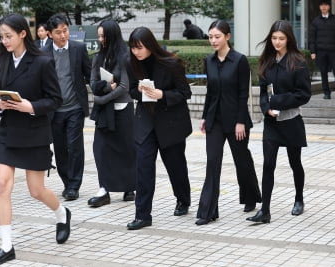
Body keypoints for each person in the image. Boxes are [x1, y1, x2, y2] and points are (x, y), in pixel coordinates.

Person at [0, 13, 69, 266]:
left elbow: (56, 100)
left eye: (8, 36)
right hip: (9, 131)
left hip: (34, 133)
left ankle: (62, 213)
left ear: (23, 34)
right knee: (2, 185)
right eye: (1, 37)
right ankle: (7, 245)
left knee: (37, 191)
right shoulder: (0, 59)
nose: (5, 41)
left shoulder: (43, 62)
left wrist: (30, 106)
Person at [195, 20, 262, 226]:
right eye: (210, 37)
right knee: (212, 163)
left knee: (242, 160)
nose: (213, 41)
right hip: (215, 120)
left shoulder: (239, 60)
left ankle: (251, 196)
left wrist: (241, 121)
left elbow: (244, 94)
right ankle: (207, 211)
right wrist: (206, 116)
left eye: (217, 36)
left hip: (236, 122)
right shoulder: (209, 61)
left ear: (227, 37)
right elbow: (210, 93)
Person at [126, 26, 192, 230]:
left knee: (175, 166)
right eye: (133, 48)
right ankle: (143, 215)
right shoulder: (131, 64)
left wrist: (162, 95)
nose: (136, 52)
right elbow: (130, 91)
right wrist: (139, 91)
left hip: (170, 123)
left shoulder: (171, 64)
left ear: (150, 45)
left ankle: (183, 199)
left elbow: (185, 93)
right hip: (146, 123)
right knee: (143, 168)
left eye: (140, 47)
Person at [247, 20, 311, 224]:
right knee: (268, 164)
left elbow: (304, 94)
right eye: (274, 38)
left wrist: (278, 102)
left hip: (291, 121)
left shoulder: (298, 62)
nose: (277, 42)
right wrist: (266, 108)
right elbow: (264, 93)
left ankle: (299, 199)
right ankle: (264, 211)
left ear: (289, 39)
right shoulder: (267, 61)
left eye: (281, 39)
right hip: (272, 123)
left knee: (295, 163)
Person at [87, 20, 136, 207]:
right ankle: (104, 188)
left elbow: (124, 86)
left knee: (126, 150)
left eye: (103, 36)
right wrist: (107, 87)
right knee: (100, 149)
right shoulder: (98, 57)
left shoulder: (125, 56)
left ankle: (129, 187)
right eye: (99, 36)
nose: (101, 39)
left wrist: (101, 99)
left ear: (112, 35)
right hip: (104, 112)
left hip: (122, 110)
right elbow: (92, 83)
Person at [43, 14, 91, 201]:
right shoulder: (43, 52)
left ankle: (74, 185)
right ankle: (66, 182)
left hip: (75, 107)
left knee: (75, 146)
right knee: (60, 148)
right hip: (54, 110)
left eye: (65, 31)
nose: (63, 35)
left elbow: (89, 74)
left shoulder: (78, 49)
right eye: (58, 32)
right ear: (49, 34)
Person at [309, 0, 335, 99]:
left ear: (329, 7)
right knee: (323, 72)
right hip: (321, 51)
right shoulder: (316, 21)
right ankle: (326, 93)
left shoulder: (334, 19)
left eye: (326, 5)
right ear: (320, 7)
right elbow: (312, 38)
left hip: (333, 51)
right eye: (322, 5)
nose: (324, 7)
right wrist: (313, 52)